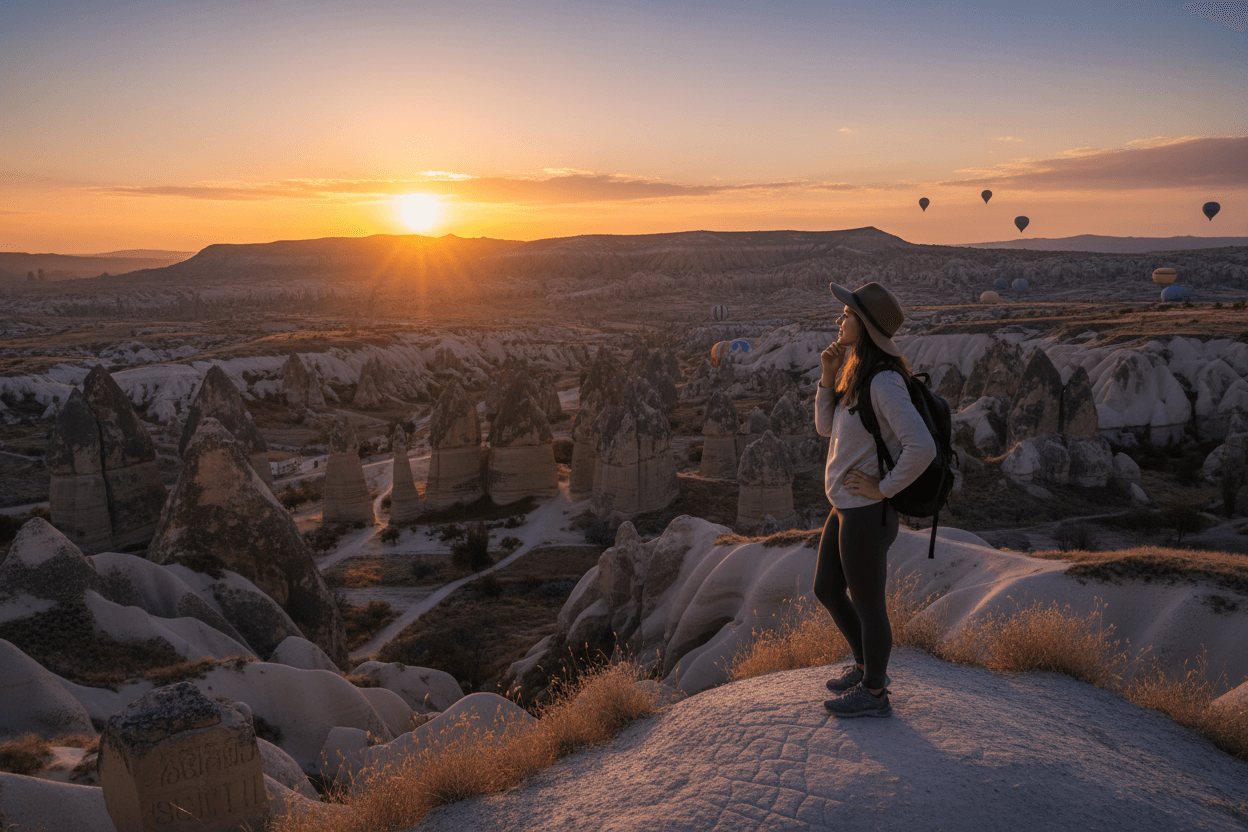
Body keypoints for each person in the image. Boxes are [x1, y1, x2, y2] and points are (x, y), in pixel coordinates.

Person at [813, 281, 935, 718]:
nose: (839, 319)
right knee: (827, 589)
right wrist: (828, 377)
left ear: (863, 324)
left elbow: (922, 447)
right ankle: (865, 666)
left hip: (867, 513)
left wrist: (882, 488)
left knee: (868, 606)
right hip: (845, 508)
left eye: (847, 314)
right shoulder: (858, 372)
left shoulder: (884, 381)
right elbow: (826, 429)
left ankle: (875, 692)